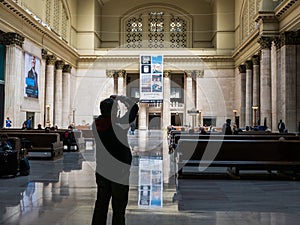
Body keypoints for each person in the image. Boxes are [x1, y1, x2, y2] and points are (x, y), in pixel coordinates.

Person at [92, 95, 139, 225]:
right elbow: (134, 108)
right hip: (120, 170)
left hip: (102, 168)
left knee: (101, 203)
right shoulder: (119, 124)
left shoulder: (95, 124)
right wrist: (121, 98)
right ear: (114, 111)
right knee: (119, 205)